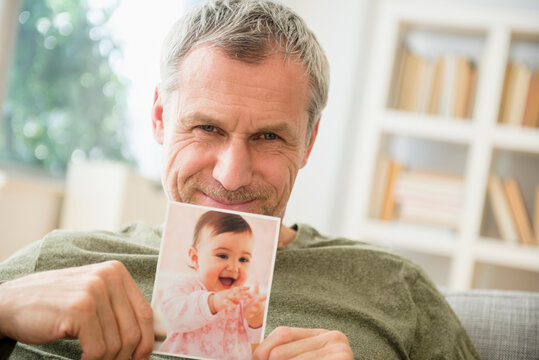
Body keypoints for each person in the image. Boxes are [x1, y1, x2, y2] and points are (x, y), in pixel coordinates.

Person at [0, 0, 480, 359]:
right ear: (161, 119)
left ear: (309, 142)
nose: (231, 175)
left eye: (269, 136)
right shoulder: (58, 263)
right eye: (207, 127)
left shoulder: (393, 286)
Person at [157, 211, 266, 359]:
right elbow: (173, 316)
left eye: (243, 259)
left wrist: (256, 318)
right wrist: (212, 302)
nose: (234, 267)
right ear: (195, 258)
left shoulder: (243, 298)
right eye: (222, 255)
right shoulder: (185, 286)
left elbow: (256, 340)